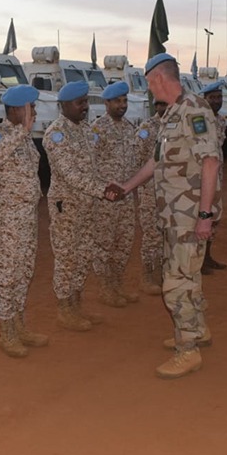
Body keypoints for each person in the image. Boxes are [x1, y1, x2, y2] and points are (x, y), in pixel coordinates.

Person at [111, 54, 221, 378]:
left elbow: (211, 163)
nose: (147, 88)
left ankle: (187, 351)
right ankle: (197, 330)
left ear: (159, 78)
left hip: (188, 214)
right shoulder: (171, 114)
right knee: (189, 276)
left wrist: (204, 215)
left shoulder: (194, 109)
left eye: (147, 81)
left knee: (175, 282)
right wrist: (128, 186)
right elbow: (157, 162)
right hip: (174, 213)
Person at [0, 85, 49, 358]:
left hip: (26, 216)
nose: (34, 111)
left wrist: (24, 134)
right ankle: (6, 333)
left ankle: (20, 325)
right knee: (7, 274)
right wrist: (21, 132)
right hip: (7, 218)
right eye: (30, 107)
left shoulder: (25, 137)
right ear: (14, 110)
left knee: (23, 270)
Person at [43, 80, 112, 332]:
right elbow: (69, 174)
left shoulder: (84, 129)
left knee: (84, 254)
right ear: (64, 106)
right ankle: (64, 309)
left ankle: (76, 304)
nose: (85, 107)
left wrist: (103, 186)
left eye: (86, 101)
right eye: (79, 102)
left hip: (87, 204)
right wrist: (103, 190)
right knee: (67, 256)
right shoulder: (56, 134)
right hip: (67, 205)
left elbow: (92, 169)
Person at [91, 81, 139, 307]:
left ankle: (117, 284)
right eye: (118, 101)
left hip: (127, 197)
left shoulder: (130, 128)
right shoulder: (97, 129)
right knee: (103, 244)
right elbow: (90, 164)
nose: (123, 105)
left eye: (125, 101)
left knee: (124, 242)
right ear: (106, 103)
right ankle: (105, 288)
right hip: (106, 199)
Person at [135, 98, 168, 294]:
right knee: (151, 234)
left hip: (171, 191)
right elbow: (137, 156)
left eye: (167, 104)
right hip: (150, 189)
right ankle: (147, 276)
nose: (164, 108)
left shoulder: (177, 126)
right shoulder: (147, 127)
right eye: (161, 105)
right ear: (156, 106)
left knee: (167, 233)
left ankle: (163, 273)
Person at [200, 81, 227, 274]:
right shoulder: (198, 120)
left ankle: (207, 257)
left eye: (219, 97)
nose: (216, 101)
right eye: (212, 98)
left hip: (216, 176)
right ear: (205, 99)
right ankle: (197, 261)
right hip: (201, 178)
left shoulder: (220, 121)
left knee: (214, 217)